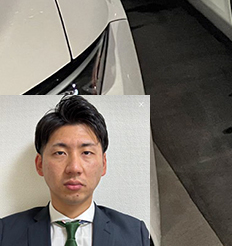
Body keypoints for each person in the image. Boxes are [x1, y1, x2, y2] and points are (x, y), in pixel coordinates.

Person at [0, 95, 150, 246]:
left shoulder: (136, 235)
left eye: (86, 152)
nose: (74, 168)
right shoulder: (5, 233)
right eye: (60, 153)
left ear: (103, 164)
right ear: (40, 164)